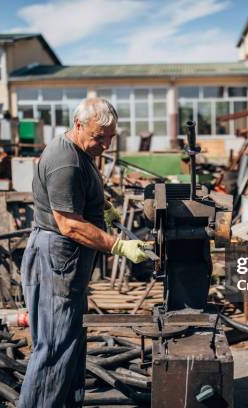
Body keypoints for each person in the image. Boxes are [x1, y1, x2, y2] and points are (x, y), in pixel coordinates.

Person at [19, 98, 149, 407]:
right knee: (54, 346)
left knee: (70, 343)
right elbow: (69, 225)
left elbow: (74, 195)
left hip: (63, 259)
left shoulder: (79, 149)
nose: (105, 144)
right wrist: (118, 245)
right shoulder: (66, 161)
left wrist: (100, 206)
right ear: (78, 126)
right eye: (99, 137)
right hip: (58, 258)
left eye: (110, 137)